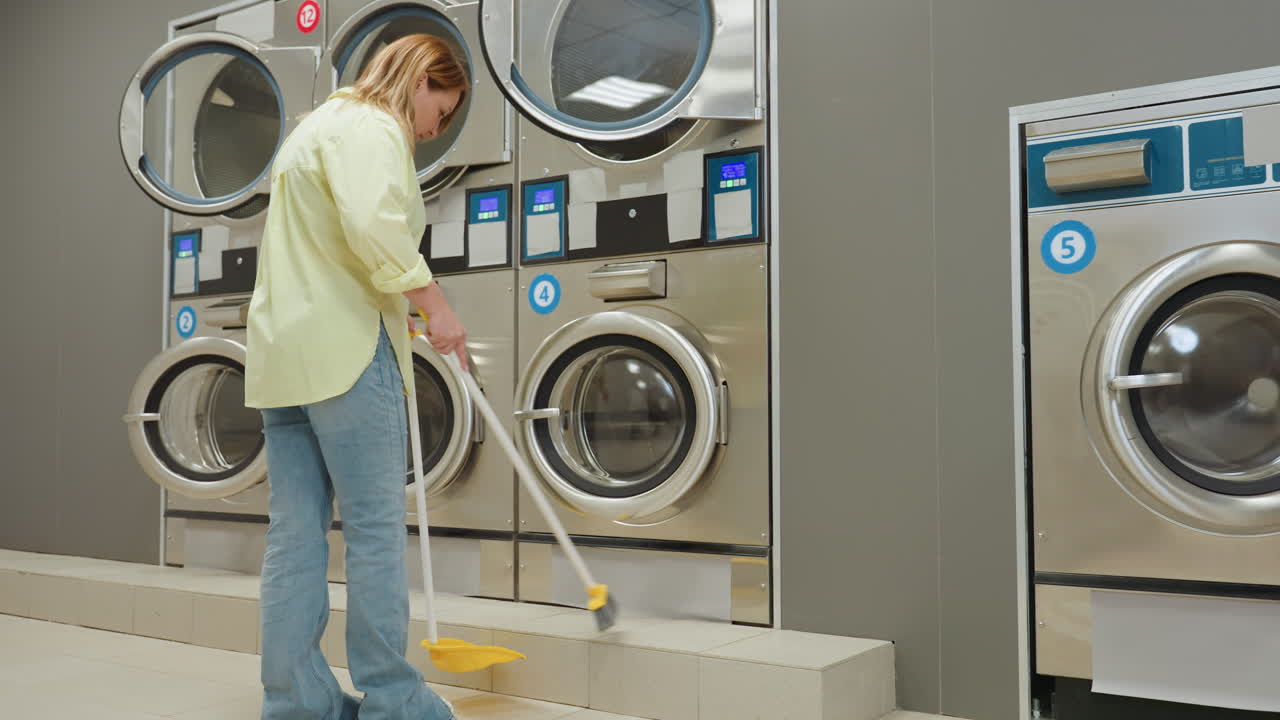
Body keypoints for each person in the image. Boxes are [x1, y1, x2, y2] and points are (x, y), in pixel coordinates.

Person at [243, 33, 470, 720]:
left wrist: (395, 303)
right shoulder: (374, 128)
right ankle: (394, 703)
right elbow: (374, 226)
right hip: (345, 351)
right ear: (420, 80)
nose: (436, 129)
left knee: (294, 535)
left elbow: (326, 245)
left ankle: (297, 705)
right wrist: (434, 304)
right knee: (373, 531)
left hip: (285, 355)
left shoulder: (313, 129)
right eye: (441, 109)